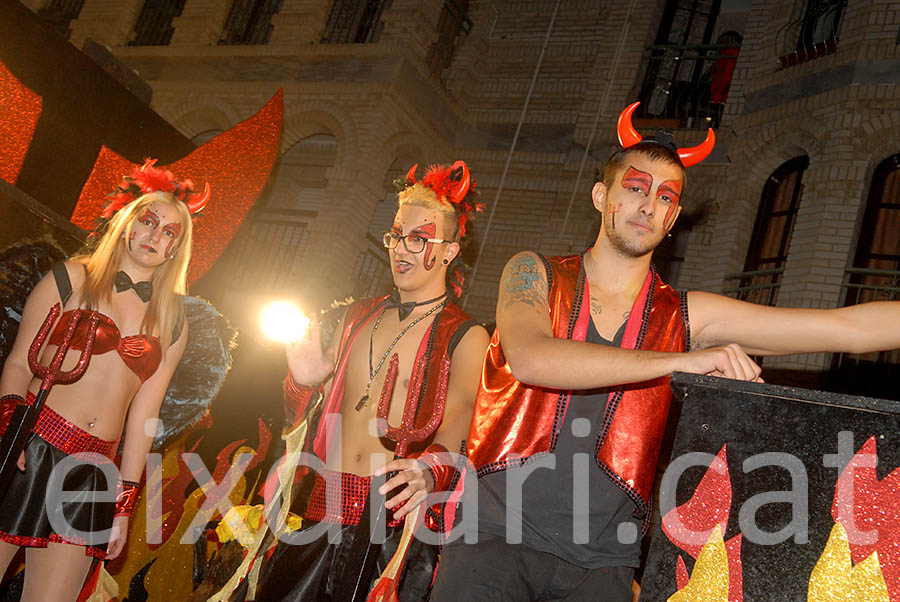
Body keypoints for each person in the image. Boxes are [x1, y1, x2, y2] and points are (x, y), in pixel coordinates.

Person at [430, 102, 900, 602]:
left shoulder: (682, 314)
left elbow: (843, 328)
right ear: (601, 196)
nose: (648, 205)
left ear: (673, 216)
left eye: (664, 197)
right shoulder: (534, 273)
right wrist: (683, 361)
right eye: (635, 188)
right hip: (492, 539)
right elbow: (532, 358)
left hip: (605, 563)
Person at [254, 161, 490, 601]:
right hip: (319, 506)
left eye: (418, 238)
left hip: (389, 529)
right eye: (396, 235)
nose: (401, 248)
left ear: (449, 251)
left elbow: (462, 416)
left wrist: (431, 468)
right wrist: (304, 385)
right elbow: (299, 423)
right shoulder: (353, 317)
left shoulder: (465, 334)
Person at [0, 160, 206, 601]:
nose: (155, 236)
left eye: (170, 231)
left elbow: (145, 416)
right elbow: (19, 362)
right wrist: (10, 431)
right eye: (148, 222)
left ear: (177, 249)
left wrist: (124, 506)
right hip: (29, 447)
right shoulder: (72, 277)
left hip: (94, 473)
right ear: (126, 222)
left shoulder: (173, 321)